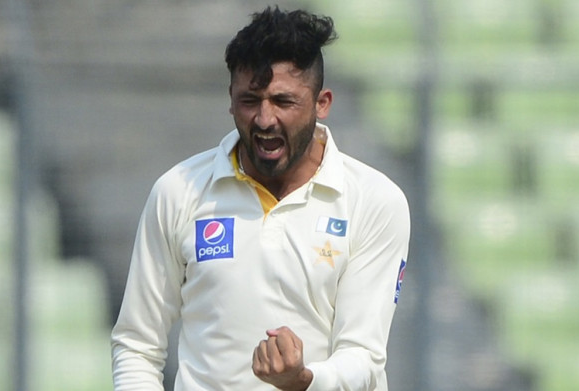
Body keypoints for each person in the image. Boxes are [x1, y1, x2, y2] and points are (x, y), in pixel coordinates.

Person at [111, 6, 411, 391]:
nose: (265, 119)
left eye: (283, 102)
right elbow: (138, 344)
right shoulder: (178, 190)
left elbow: (363, 359)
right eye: (251, 100)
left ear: (322, 104)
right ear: (231, 100)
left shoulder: (374, 200)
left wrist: (304, 380)